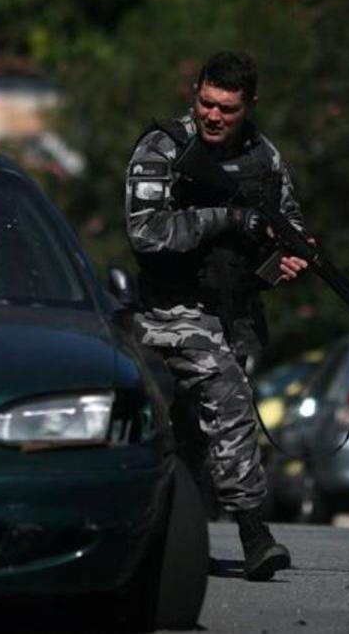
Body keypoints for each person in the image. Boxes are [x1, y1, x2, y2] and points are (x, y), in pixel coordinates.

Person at [123, 51, 309, 581]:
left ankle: (176, 543)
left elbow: (281, 228)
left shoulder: (263, 157)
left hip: (233, 313)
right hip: (171, 311)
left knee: (191, 439)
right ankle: (254, 532)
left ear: (249, 105)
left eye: (227, 108)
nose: (213, 116)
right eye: (206, 103)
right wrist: (228, 218)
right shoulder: (162, 147)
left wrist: (284, 261)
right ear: (196, 94)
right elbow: (147, 232)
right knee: (228, 399)